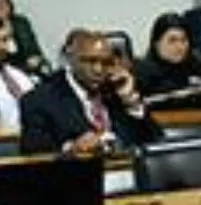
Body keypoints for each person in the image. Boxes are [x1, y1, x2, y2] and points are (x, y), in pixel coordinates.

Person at [18, 29, 163, 155]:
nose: (98, 70)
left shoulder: (115, 94)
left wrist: (130, 101)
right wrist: (71, 149)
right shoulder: (40, 100)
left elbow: (156, 140)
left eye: (106, 63)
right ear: (71, 60)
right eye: (90, 61)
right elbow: (34, 154)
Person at [136, 13, 201, 107]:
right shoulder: (143, 72)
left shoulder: (195, 66)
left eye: (183, 40)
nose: (180, 47)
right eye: (172, 41)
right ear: (156, 44)